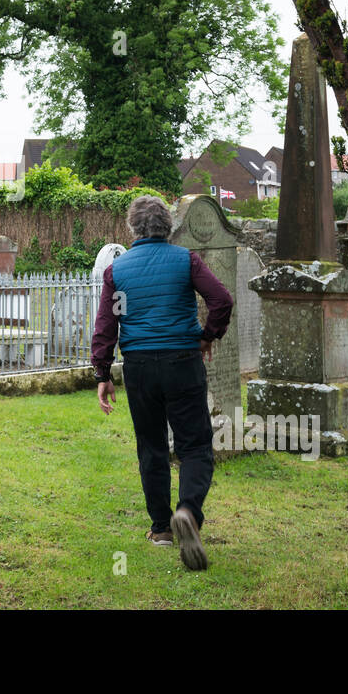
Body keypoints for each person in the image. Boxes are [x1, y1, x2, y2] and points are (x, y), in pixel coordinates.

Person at [91, 195, 233, 571]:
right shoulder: (186, 260)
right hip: (182, 362)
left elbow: (107, 325)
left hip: (139, 367)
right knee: (195, 446)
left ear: (133, 229)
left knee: (151, 446)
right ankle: (187, 511)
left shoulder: (117, 272)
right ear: (167, 227)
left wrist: (102, 372)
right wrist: (207, 336)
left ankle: (161, 529)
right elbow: (221, 299)